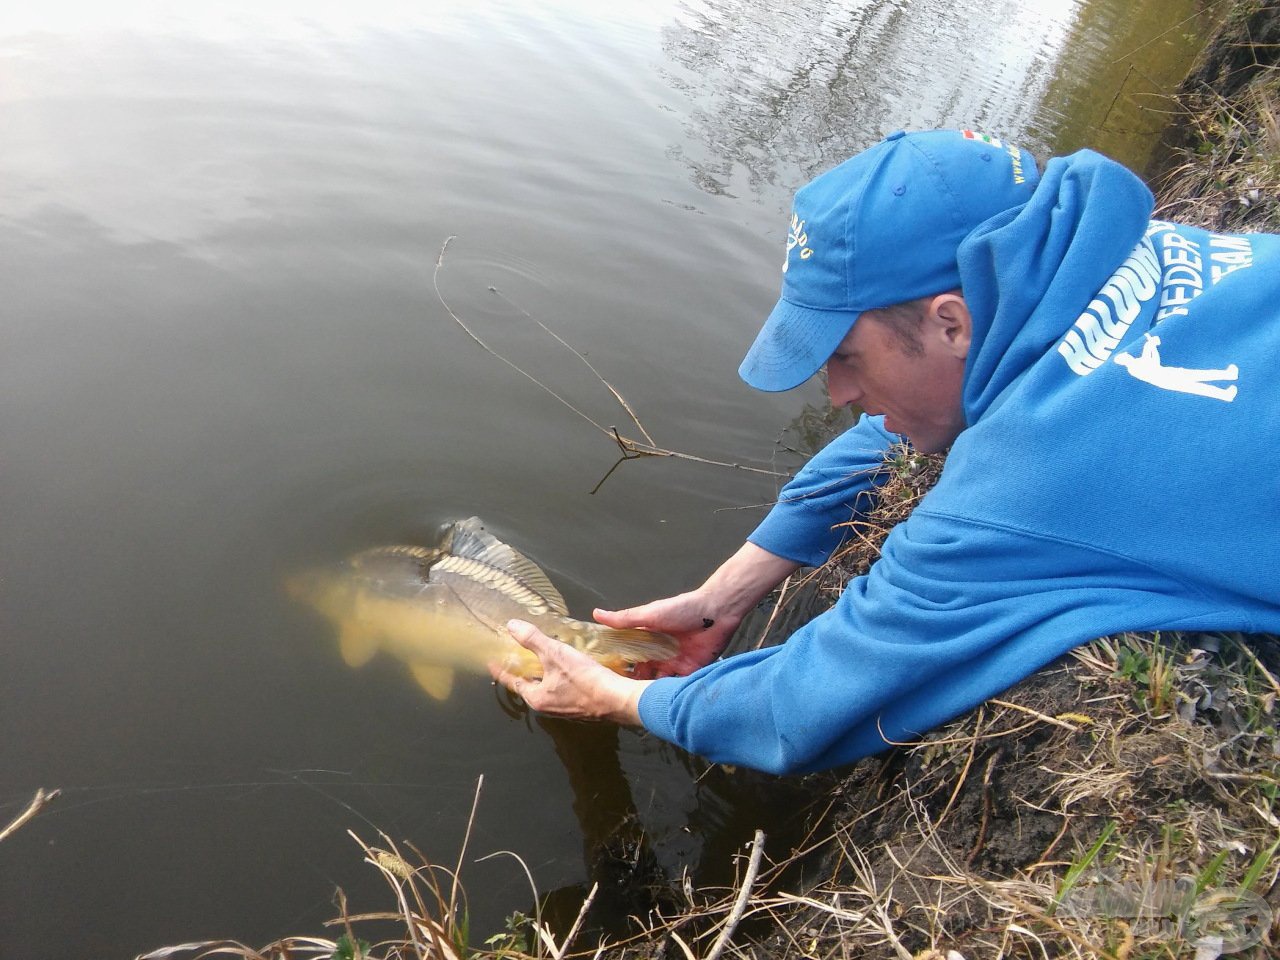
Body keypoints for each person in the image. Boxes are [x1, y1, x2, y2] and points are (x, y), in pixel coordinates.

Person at [490, 129, 1280, 775]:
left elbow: (800, 704)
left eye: (847, 357)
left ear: (951, 323)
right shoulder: (1129, 256)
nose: (836, 393)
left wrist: (620, 699)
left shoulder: (1026, 489)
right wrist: (725, 595)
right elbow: (888, 437)